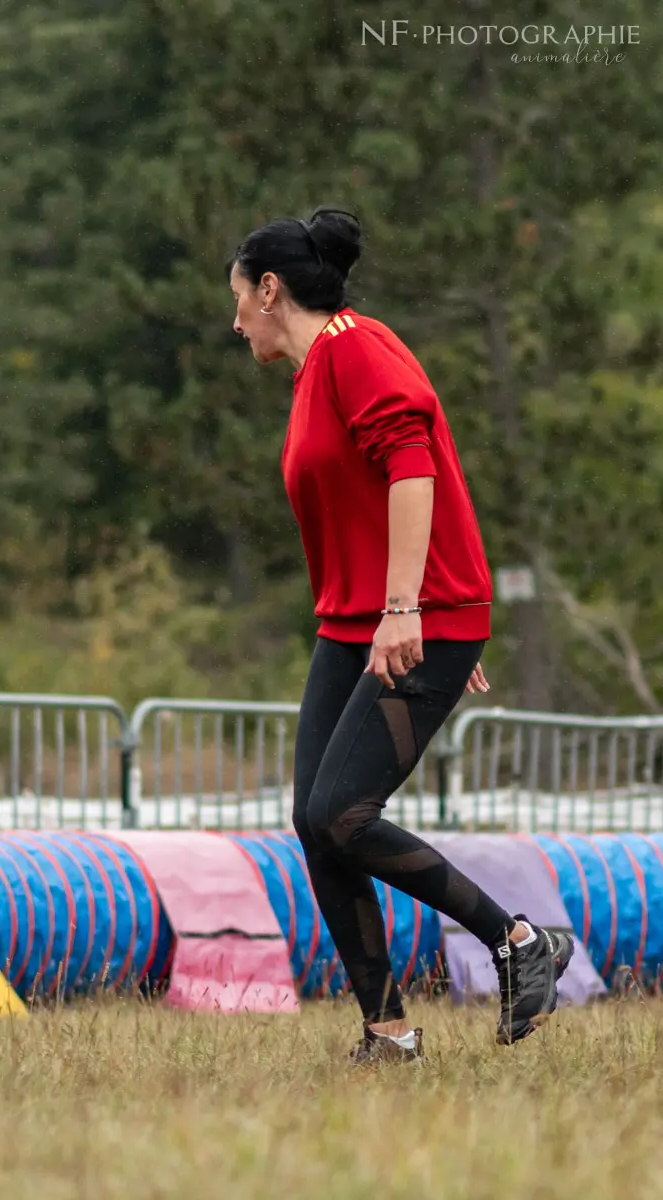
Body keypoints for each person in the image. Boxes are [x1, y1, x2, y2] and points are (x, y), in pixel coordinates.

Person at [226, 207, 573, 1061]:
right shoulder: (318, 370)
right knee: (316, 820)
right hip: (356, 624)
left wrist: (415, 607)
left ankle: (520, 942)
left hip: (404, 622)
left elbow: (414, 468)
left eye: (237, 298)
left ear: (271, 290)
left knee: (344, 813)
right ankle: (387, 1031)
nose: (233, 320)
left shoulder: (356, 347)